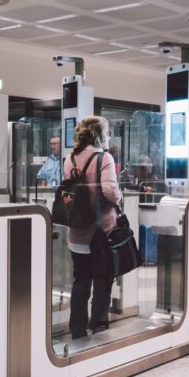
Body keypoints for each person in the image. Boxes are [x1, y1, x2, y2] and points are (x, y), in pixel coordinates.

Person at [63, 116, 122, 340]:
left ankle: (77, 329)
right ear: (100, 135)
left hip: (77, 230)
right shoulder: (104, 158)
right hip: (99, 230)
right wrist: (119, 195)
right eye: (107, 132)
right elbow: (109, 190)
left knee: (81, 281)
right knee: (102, 280)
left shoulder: (70, 159)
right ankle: (98, 325)